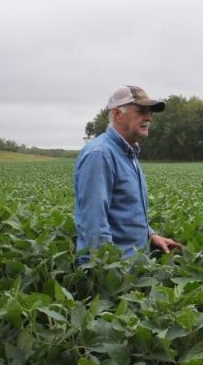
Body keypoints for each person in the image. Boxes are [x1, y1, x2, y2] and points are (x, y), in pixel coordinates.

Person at [74, 85, 181, 262]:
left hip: (133, 268)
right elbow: (94, 224)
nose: (148, 118)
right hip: (113, 275)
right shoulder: (100, 154)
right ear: (117, 114)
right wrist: (113, 274)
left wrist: (151, 235)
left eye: (150, 112)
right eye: (141, 111)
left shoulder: (127, 152)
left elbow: (125, 212)